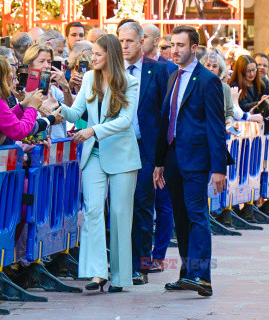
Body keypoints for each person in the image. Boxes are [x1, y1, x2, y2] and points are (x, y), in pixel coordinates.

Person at [61, 34, 140, 293]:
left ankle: (119, 277)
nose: (92, 58)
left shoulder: (130, 82)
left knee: (119, 214)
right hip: (93, 153)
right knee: (93, 211)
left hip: (121, 154)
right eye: (92, 53)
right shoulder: (88, 78)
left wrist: (93, 130)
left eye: (97, 54)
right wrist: (58, 106)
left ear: (111, 55)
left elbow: (125, 121)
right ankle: (97, 273)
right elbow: (76, 113)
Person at [153, 25, 226, 297]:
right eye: (172, 45)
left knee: (196, 215)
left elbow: (216, 126)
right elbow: (165, 122)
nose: (175, 50)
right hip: (172, 159)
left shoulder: (208, 80)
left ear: (194, 48)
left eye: (180, 45)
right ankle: (187, 273)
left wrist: (218, 168)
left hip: (196, 160)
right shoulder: (173, 77)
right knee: (181, 219)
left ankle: (202, 277)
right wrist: (159, 162)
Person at [118, 22, 170, 285]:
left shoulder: (158, 71)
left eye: (129, 41)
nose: (124, 46)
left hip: (146, 148)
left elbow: (165, 114)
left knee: (142, 203)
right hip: (117, 148)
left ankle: (140, 265)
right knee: (119, 206)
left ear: (141, 42)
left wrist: (163, 155)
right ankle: (121, 262)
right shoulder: (110, 72)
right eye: (121, 41)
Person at [23, 44, 73, 139]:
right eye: (41, 62)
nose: (46, 66)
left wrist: (65, 86)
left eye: (49, 62)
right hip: (34, 145)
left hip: (58, 144)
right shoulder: (22, 90)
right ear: (30, 65)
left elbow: (70, 108)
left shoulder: (53, 89)